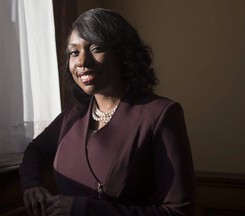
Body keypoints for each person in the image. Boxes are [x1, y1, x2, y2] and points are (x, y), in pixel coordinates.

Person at [19, 8, 196, 216]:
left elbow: (178, 212)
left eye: (96, 48)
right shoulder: (74, 113)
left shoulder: (160, 115)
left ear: (123, 54)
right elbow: (35, 151)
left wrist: (84, 209)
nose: (82, 62)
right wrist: (32, 185)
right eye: (74, 52)